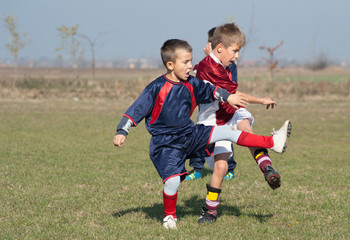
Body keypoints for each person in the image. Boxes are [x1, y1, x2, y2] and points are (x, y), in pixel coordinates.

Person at [113, 39, 292, 229]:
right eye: (185, 62)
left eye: (191, 61)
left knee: (228, 131)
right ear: (170, 65)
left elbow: (211, 90)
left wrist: (228, 96)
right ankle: (169, 217)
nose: (191, 66)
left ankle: (273, 141)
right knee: (173, 182)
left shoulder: (192, 83)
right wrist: (122, 131)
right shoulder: (155, 88)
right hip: (165, 145)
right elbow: (135, 110)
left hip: (190, 135)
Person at [195, 23, 287, 224]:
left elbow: (233, 96)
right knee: (220, 168)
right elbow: (229, 95)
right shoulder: (206, 68)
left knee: (246, 128)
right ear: (219, 48)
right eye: (235, 51)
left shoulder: (224, 64)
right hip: (214, 120)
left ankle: (268, 169)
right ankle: (210, 211)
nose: (237, 56)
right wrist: (261, 99)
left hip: (231, 112)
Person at [186, 27, 237, 181]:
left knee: (225, 136)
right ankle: (197, 168)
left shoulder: (229, 65)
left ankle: (230, 167)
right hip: (206, 107)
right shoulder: (204, 64)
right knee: (200, 135)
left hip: (222, 108)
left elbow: (229, 86)